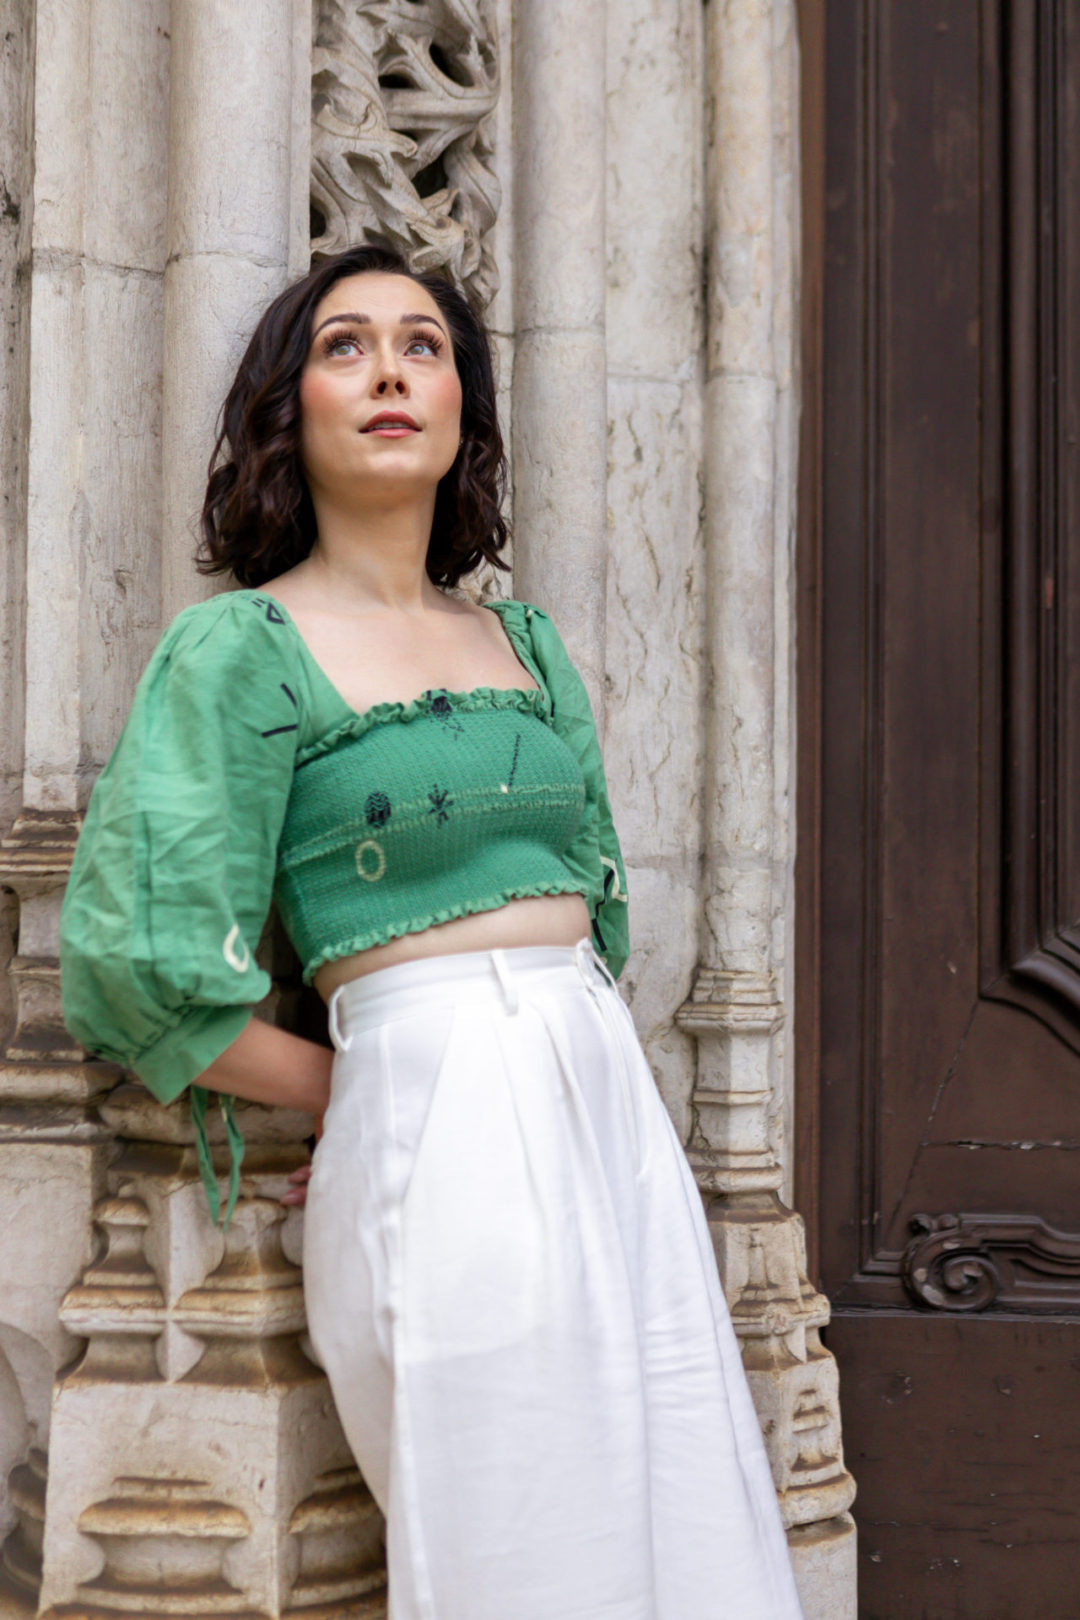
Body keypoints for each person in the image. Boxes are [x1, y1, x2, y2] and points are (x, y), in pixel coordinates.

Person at [58, 243, 806, 1620]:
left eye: (426, 345)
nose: (392, 369)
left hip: (601, 1106)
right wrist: (364, 1090)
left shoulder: (526, 644)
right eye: (345, 347)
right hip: (425, 1103)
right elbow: (133, 969)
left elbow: (597, 914)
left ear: (465, 408)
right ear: (291, 410)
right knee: (511, 1529)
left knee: (674, 1497)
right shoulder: (243, 649)